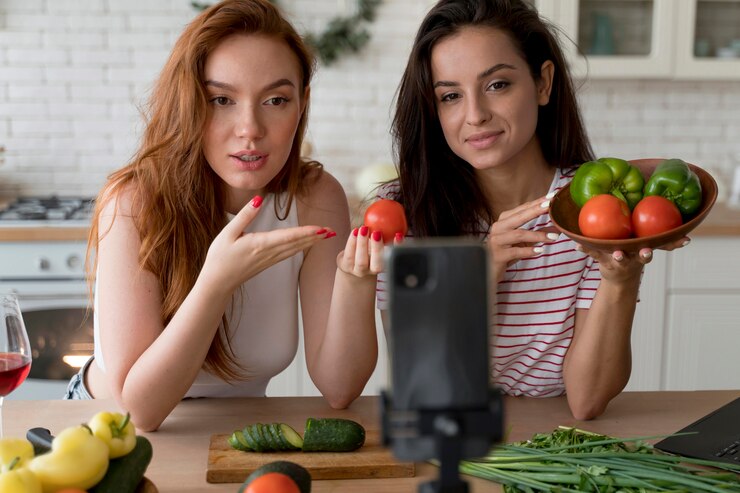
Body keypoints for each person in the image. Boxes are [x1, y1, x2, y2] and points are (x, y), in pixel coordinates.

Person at [64, 0, 383, 432]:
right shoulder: (133, 202)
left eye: (275, 99)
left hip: (236, 429)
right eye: (221, 99)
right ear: (190, 104)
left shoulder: (315, 198)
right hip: (107, 427)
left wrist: (356, 282)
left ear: (302, 104)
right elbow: (141, 411)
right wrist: (215, 282)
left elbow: (340, 388)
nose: (250, 127)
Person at [377, 0, 688, 420]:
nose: (475, 115)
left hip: (554, 446)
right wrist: (480, 271)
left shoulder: (592, 210)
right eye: (450, 96)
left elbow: (586, 401)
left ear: (543, 83)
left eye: (497, 85)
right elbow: (427, 387)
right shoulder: (402, 214)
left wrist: (621, 279)